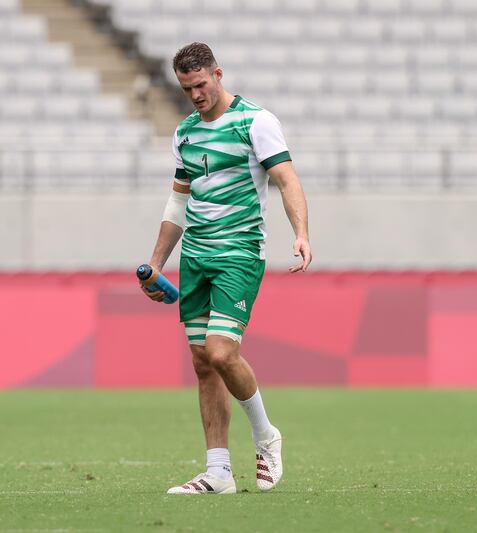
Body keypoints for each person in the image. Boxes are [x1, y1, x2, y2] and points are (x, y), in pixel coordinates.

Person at [141, 42, 312, 495]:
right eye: (186, 89)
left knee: (220, 351)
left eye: (200, 85)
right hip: (195, 256)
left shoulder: (256, 121)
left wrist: (301, 232)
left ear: (218, 74)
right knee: (202, 363)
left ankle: (266, 436)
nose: (195, 95)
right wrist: (157, 264)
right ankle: (218, 472)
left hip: (239, 251)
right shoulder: (186, 132)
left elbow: (286, 178)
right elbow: (178, 201)